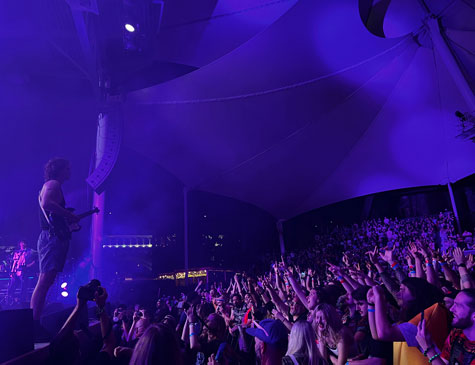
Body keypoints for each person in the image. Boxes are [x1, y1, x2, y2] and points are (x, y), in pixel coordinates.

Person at [30, 158, 79, 320]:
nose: (69, 171)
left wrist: (67, 219)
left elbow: (51, 212)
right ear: (59, 170)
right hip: (51, 238)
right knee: (44, 281)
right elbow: (46, 204)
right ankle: (33, 322)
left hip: (50, 236)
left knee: (46, 281)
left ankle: (35, 319)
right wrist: (69, 214)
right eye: (67, 168)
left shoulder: (50, 185)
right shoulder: (53, 184)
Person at [416, 289, 475, 364]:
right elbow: (444, 362)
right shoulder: (456, 333)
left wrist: (428, 349)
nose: (451, 309)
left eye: (458, 305)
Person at [7, 240, 36, 304]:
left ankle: (22, 301)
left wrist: (27, 266)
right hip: (16, 271)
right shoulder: (17, 252)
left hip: (23, 272)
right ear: (19, 243)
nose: (22, 244)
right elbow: (14, 262)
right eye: (21, 242)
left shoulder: (29, 251)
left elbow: (34, 261)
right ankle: (11, 299)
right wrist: (12, 271)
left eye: (24, 242)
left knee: (23, 287)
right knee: (12, 286)